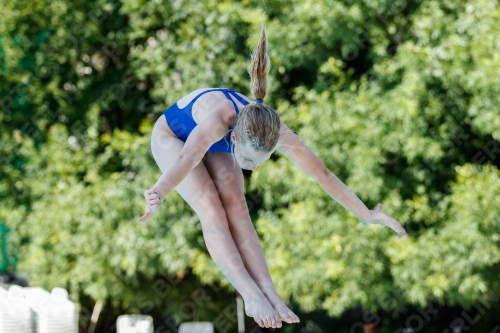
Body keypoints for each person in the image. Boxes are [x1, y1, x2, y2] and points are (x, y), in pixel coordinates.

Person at [137, 20, 408, 329]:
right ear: (235, 138)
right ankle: (250, 294)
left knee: (237, 206)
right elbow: (187, 157)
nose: (255, 167)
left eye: (262, 161)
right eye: (251, 160)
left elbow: (324, 174)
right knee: (210, 205)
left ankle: (270, 293)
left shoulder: (275, 130)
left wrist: (366, 214)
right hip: (174, 137)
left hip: (218, 145)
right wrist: (159, 190)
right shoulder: (218, 120)